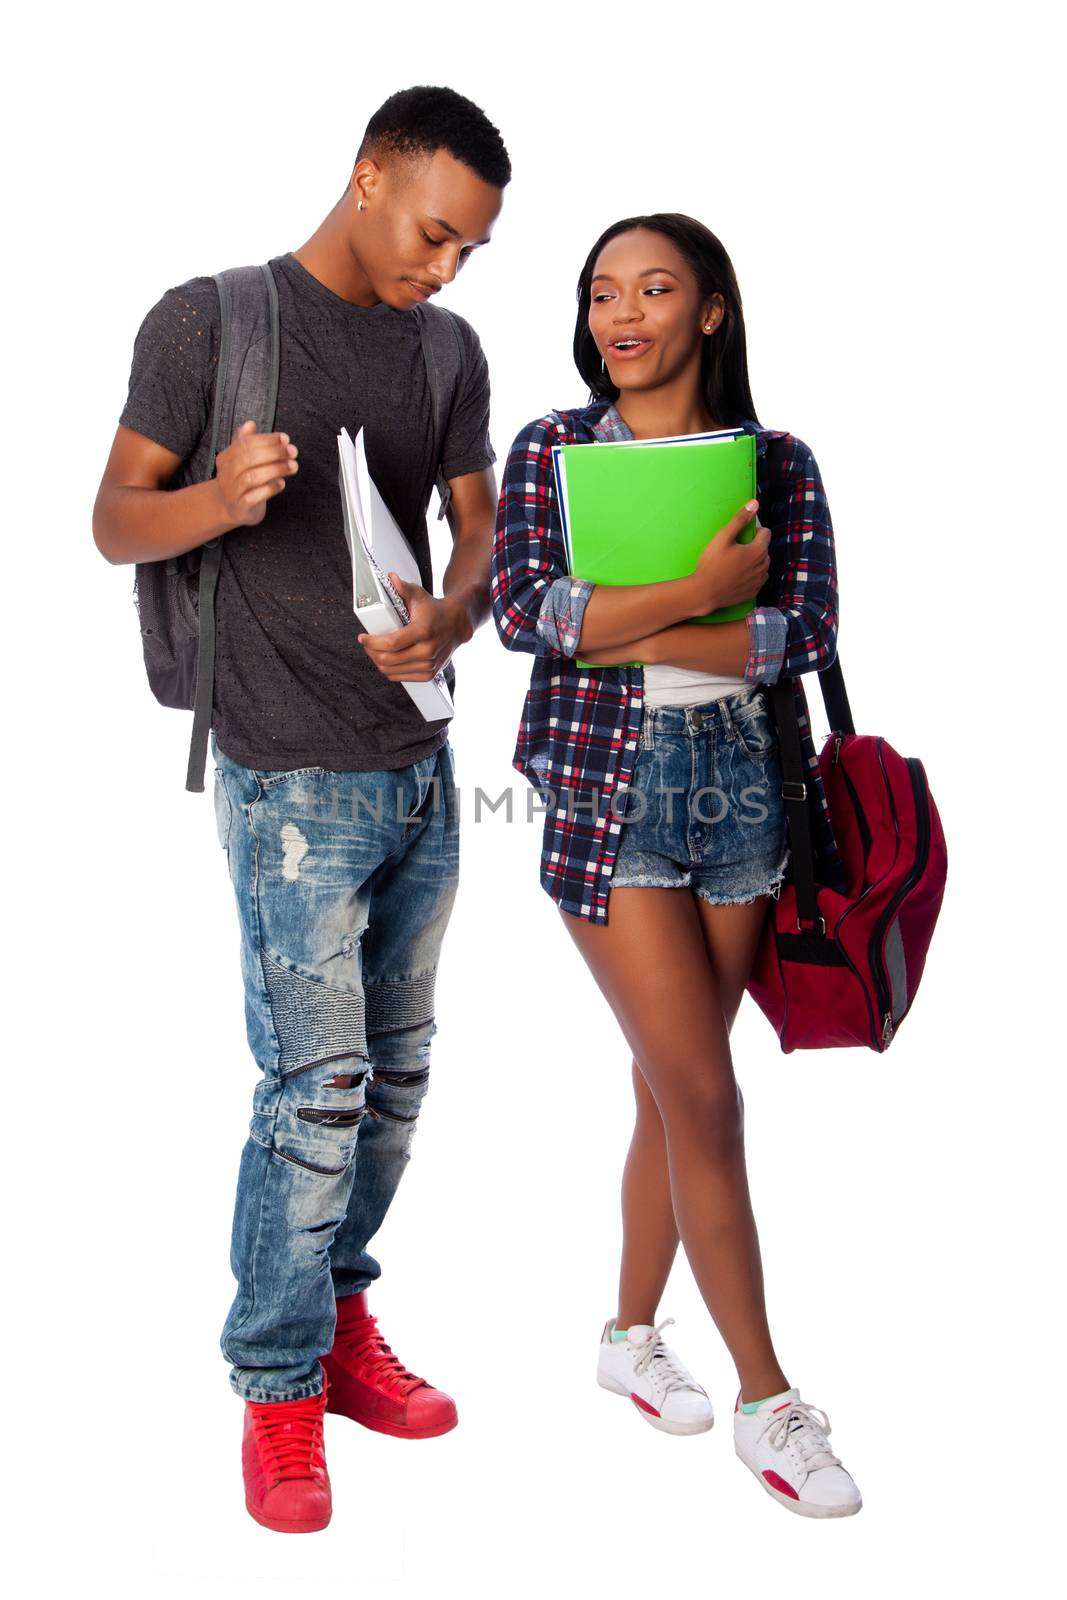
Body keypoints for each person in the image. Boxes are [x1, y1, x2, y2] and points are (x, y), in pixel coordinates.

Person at [93, 86, 510, 1534]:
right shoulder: (210, 321)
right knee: (313, 1091)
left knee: (395, 1086)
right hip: (284, 778)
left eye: (469, 250)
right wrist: (216, 496)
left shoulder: (448, 350)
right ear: (368, 177)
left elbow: (480, 528)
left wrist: (453, 622)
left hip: (421, 764)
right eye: (435, 233)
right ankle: (277, 1384)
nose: (445, 269)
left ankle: (337, 1319)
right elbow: (111, 520)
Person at [490, 213, 862, 1519]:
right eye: (602, 293)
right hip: (609, 796)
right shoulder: (552, 449)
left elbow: (801, 634)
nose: (623, 314)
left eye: (655, 290)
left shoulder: (781, 461)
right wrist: (704, 597)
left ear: (712, 310)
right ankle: (770, 1400)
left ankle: (625, 1339)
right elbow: (527, 612)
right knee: (708, 1100)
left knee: (667, 1089)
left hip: (744, 795)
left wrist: (632, 625)